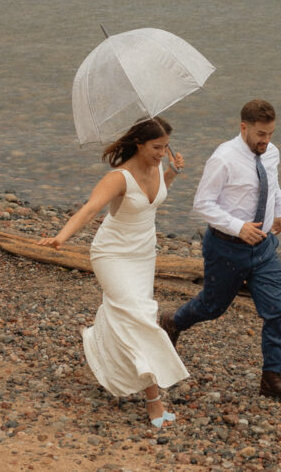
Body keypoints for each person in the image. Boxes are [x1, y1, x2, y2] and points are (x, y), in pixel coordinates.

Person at [38, 116, 189, 428]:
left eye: (164, 147)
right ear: (139, 144)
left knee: (137, 315)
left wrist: (172, 171)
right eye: (156, 147)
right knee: (139, 318)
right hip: (113, 254)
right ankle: (154, 401)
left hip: (144, 255)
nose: (162, 152)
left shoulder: (161, 166)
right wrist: (61, 238)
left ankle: (98, 342)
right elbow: (90, 209)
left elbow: (154, 200)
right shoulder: (119, 178)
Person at [159, 99, 281, 403]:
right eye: (260, 135)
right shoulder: (223, 158)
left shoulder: (272, 152)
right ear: (244, 128)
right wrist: (239, 227)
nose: (266, 141)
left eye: (270, 134)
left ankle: (271, 378)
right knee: (212, 307)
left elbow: (273, 185)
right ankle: (173, 321)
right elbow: (202, 204)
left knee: (276, 311)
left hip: (264, 248)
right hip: (227, 248)